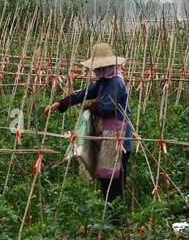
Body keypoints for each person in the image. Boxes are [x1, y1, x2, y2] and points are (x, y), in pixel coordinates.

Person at [47, 42, 134, 202]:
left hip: (118, 138)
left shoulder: (116, 82)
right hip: (108, 136)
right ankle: (112, 217)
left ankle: (117, 220)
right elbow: (84, 93)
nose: (98, 70)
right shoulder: (103, 81)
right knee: (106, 177)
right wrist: (61, 104)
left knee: (114, 180)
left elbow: (107, 108)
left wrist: (90, 105)